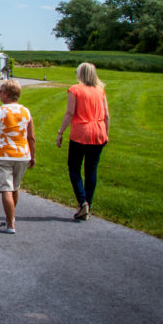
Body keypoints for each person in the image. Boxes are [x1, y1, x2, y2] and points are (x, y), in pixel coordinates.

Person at [56, 62, 110, 221]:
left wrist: (60, 132)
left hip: (81, 132)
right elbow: (106, 115)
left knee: (74, 167)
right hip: (98, 131)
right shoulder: (100, 91)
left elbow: (70, 112)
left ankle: (82, 201)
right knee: (91, 170)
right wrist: (106, 133)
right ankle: (88, 203)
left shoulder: (75, 90)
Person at [0, 79, 35, 234]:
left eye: (1, 92)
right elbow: (31, 136)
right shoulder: (26, 111)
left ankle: (10, 224)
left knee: (6, 188)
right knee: (15, 187)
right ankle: (10, 216)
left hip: (2, 154)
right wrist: (33, 154)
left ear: (7, 94)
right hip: (22, 154)